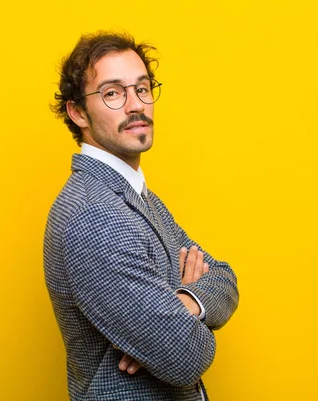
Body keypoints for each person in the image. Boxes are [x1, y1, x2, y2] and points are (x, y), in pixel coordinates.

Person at [44, 31, 239, 401]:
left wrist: (180, 303)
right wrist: (177, 327)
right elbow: (186, 356)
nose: (136, 105)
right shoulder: (95, 213)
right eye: (113, 93)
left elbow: (226, 281)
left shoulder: (137, 197)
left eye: (143, 88)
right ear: (77, 112)